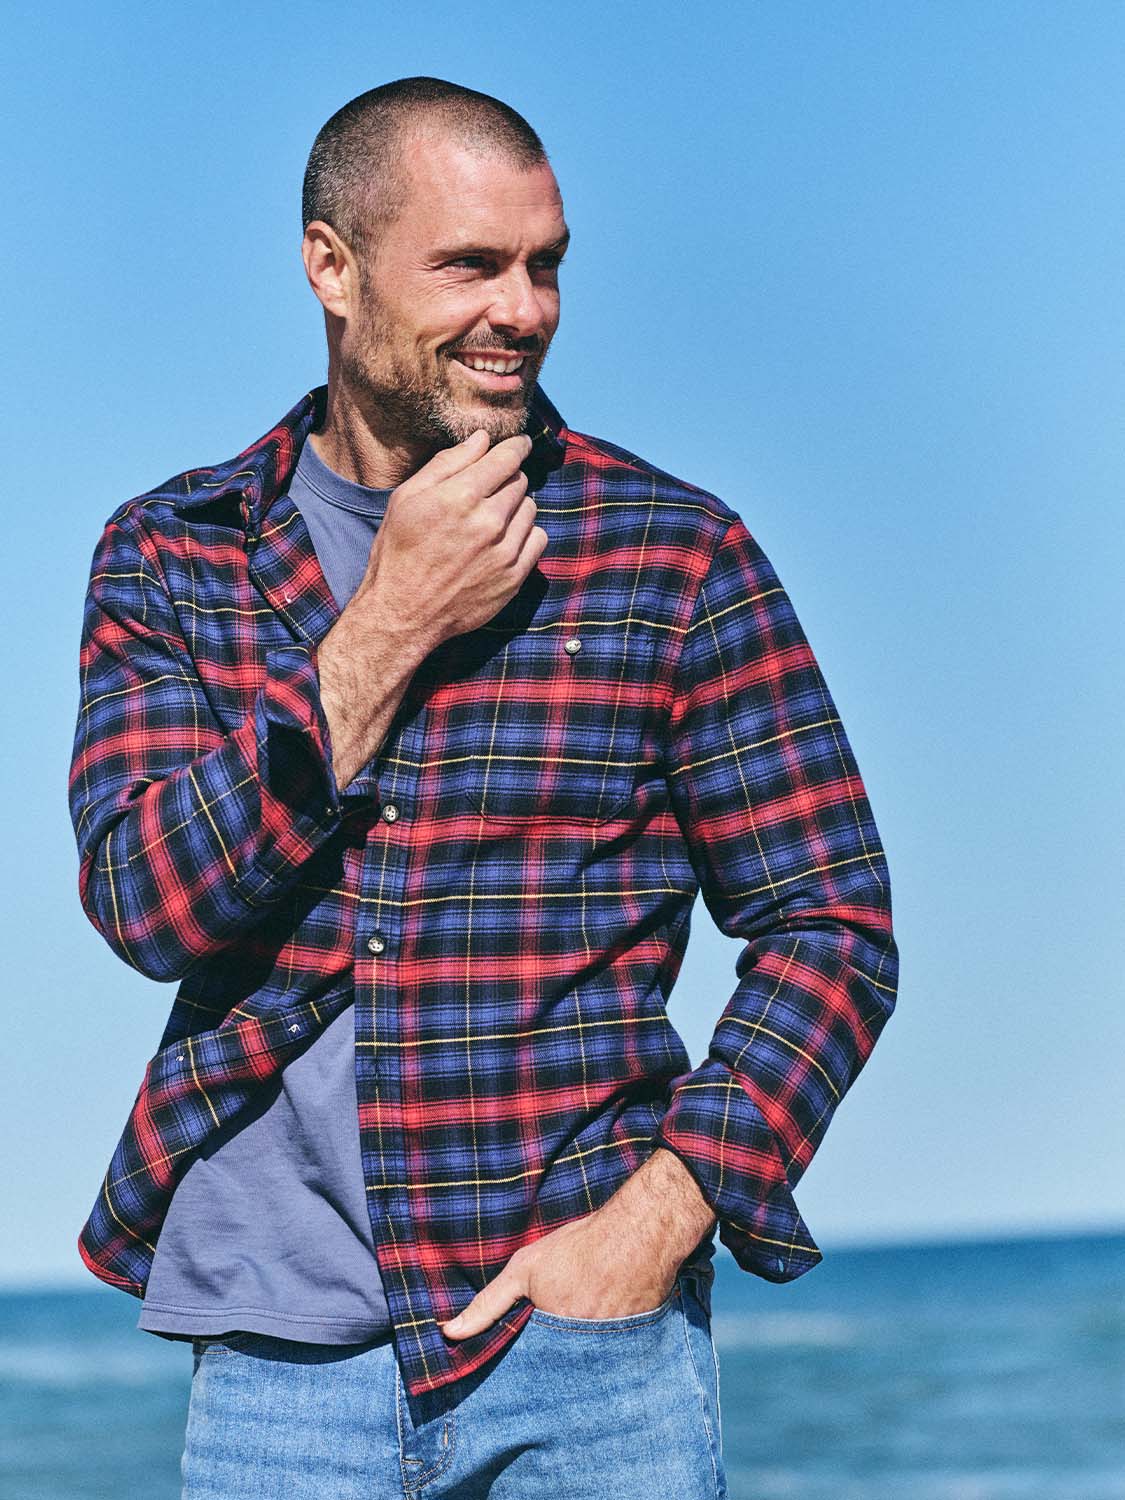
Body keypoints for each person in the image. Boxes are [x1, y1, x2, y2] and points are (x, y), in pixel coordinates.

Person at [69, 76, 899, 1499]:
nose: (522, 310)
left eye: (544, 265)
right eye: (470, 265)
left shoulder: (669, 555)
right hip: (274, 1363)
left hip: (582, 1348)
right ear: (332, 267)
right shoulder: (172, 554)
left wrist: (656, 1223)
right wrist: (387, 624)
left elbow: (833, 927)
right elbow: (149, 907)